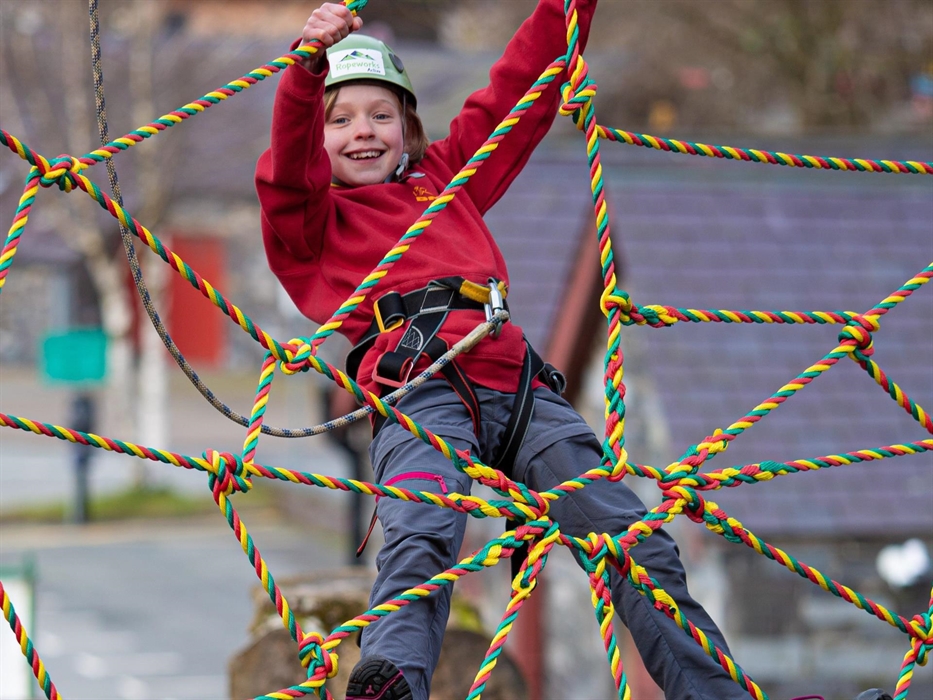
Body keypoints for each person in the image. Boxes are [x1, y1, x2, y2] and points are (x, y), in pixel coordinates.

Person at [255, 2, 749, 699]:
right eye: (340, 119)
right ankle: (391, 678)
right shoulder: (314, 224)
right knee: (422, 522)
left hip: (520, 391)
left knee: (636, 543)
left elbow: (517, 91)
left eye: (380, 115)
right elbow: (284, 174)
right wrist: (306, 69)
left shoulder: (445, 185)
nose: (362, 131)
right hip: (419, 394)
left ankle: (714, 693)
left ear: (409, 131)